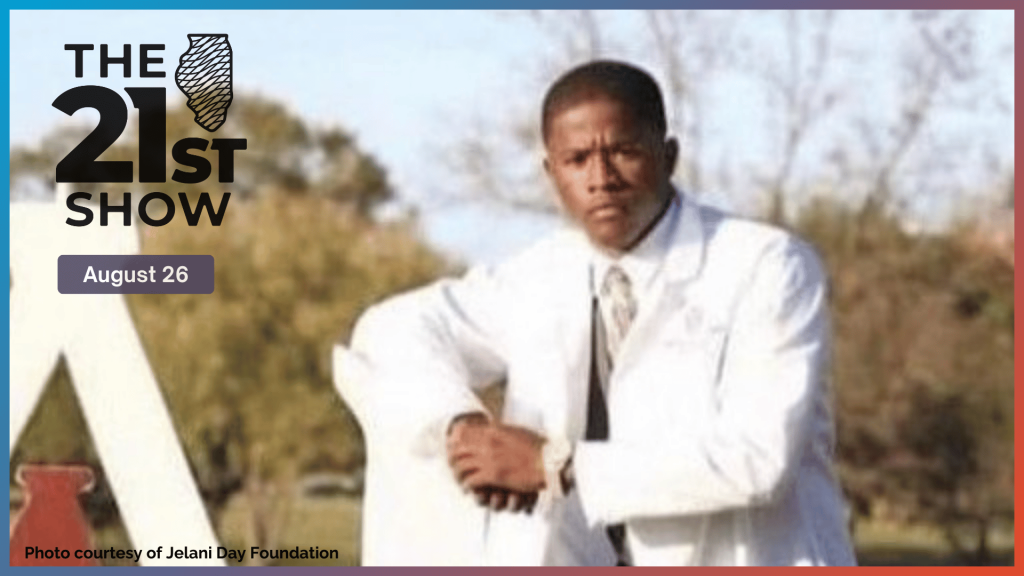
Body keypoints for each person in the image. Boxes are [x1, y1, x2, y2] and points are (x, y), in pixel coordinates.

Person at [334, 60, 857, 566]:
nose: (601, 177)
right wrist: (460, 426)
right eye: (577, 159)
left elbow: (757, 459)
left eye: (624, 151)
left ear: (668, 156)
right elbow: (389, 332)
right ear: (550, 172)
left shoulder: (767, 267)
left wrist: (553, 464)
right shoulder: (540, 276)